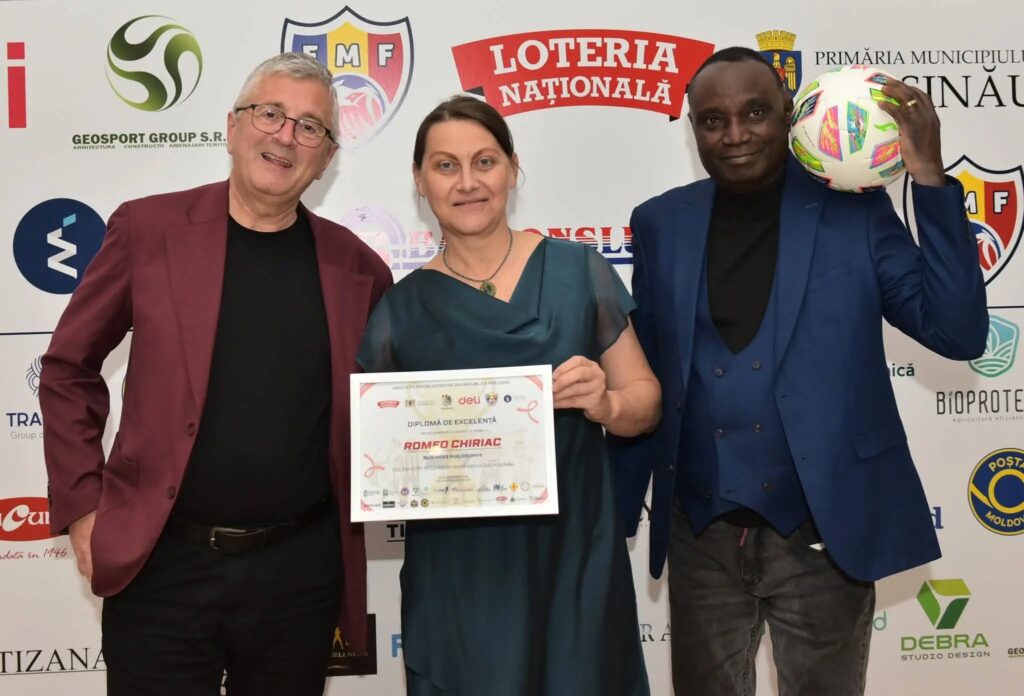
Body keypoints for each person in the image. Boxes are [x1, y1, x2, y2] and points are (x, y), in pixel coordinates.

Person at [609, 47, 988, 696]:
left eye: (755, 113)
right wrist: (614, 513)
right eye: (713, 120)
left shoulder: (856, 210)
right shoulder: (660, 222)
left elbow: (957, 333)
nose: (735, 135)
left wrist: (927, 177)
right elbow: (644, 371)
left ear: (790, 114)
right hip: (700, 531)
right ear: (692, 129)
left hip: (825, 530)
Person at [40, 52, 392, 695]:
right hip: (160, 565)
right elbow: (67, 368)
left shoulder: (359, 269)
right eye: (270, 113)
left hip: (298, 578)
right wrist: (83, 506)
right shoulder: (147, 230)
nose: (286, 136)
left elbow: (393, 409)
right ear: (233, 127)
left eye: (310, 127)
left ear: (326, 158)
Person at [356, 95, 661, 696]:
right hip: (459, 575)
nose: (467, 183)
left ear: (513, 169)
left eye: (485, 162)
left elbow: (645, 401)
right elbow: (376, 454)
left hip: (573, 556)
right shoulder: (399, 311)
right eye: (445, 166)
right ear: (420, 181)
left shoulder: (579, 270)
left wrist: (606, 404)